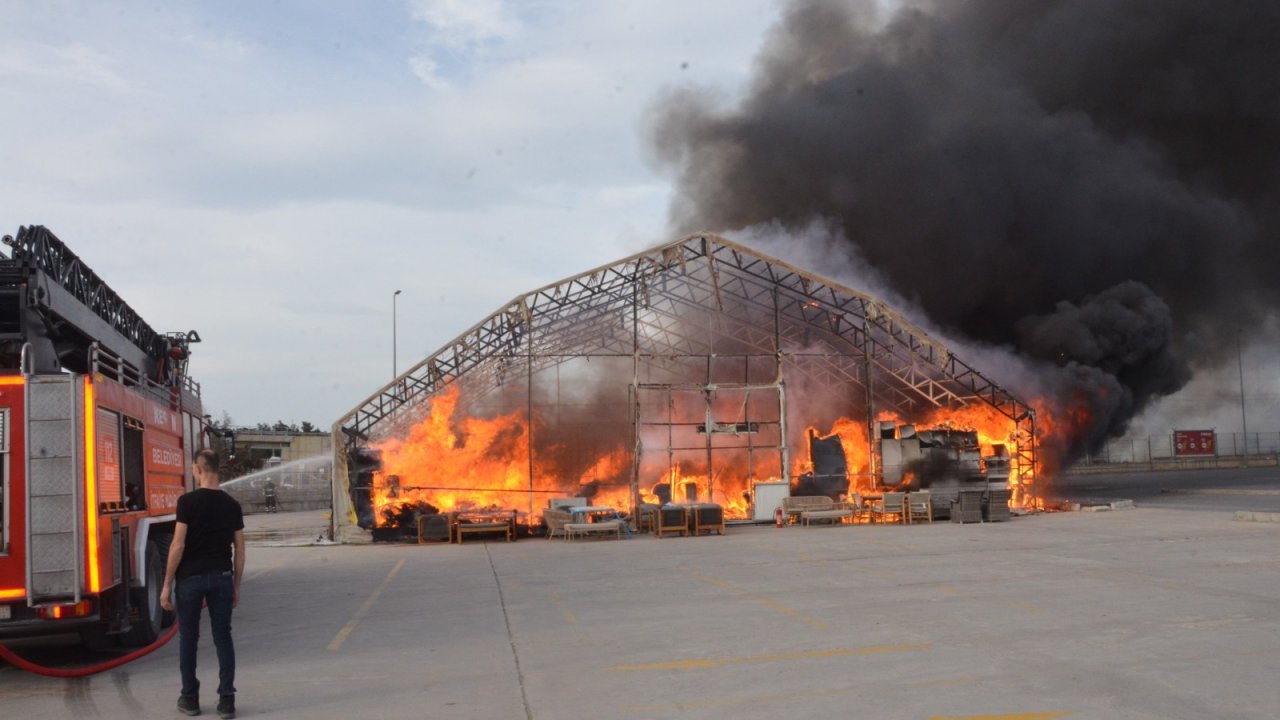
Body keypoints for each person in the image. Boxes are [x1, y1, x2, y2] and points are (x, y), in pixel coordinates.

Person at [160, 448, 245, 719]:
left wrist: (166, 583)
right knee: (223, 637)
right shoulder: (232, 505)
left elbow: (177, 545)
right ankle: (227, 700)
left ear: (197, 469)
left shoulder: (187, 502)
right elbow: (240, 551)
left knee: (189, 637)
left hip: (190, 580)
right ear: (217, 469)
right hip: (221, 577)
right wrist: (236, 585)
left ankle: (189, 698)